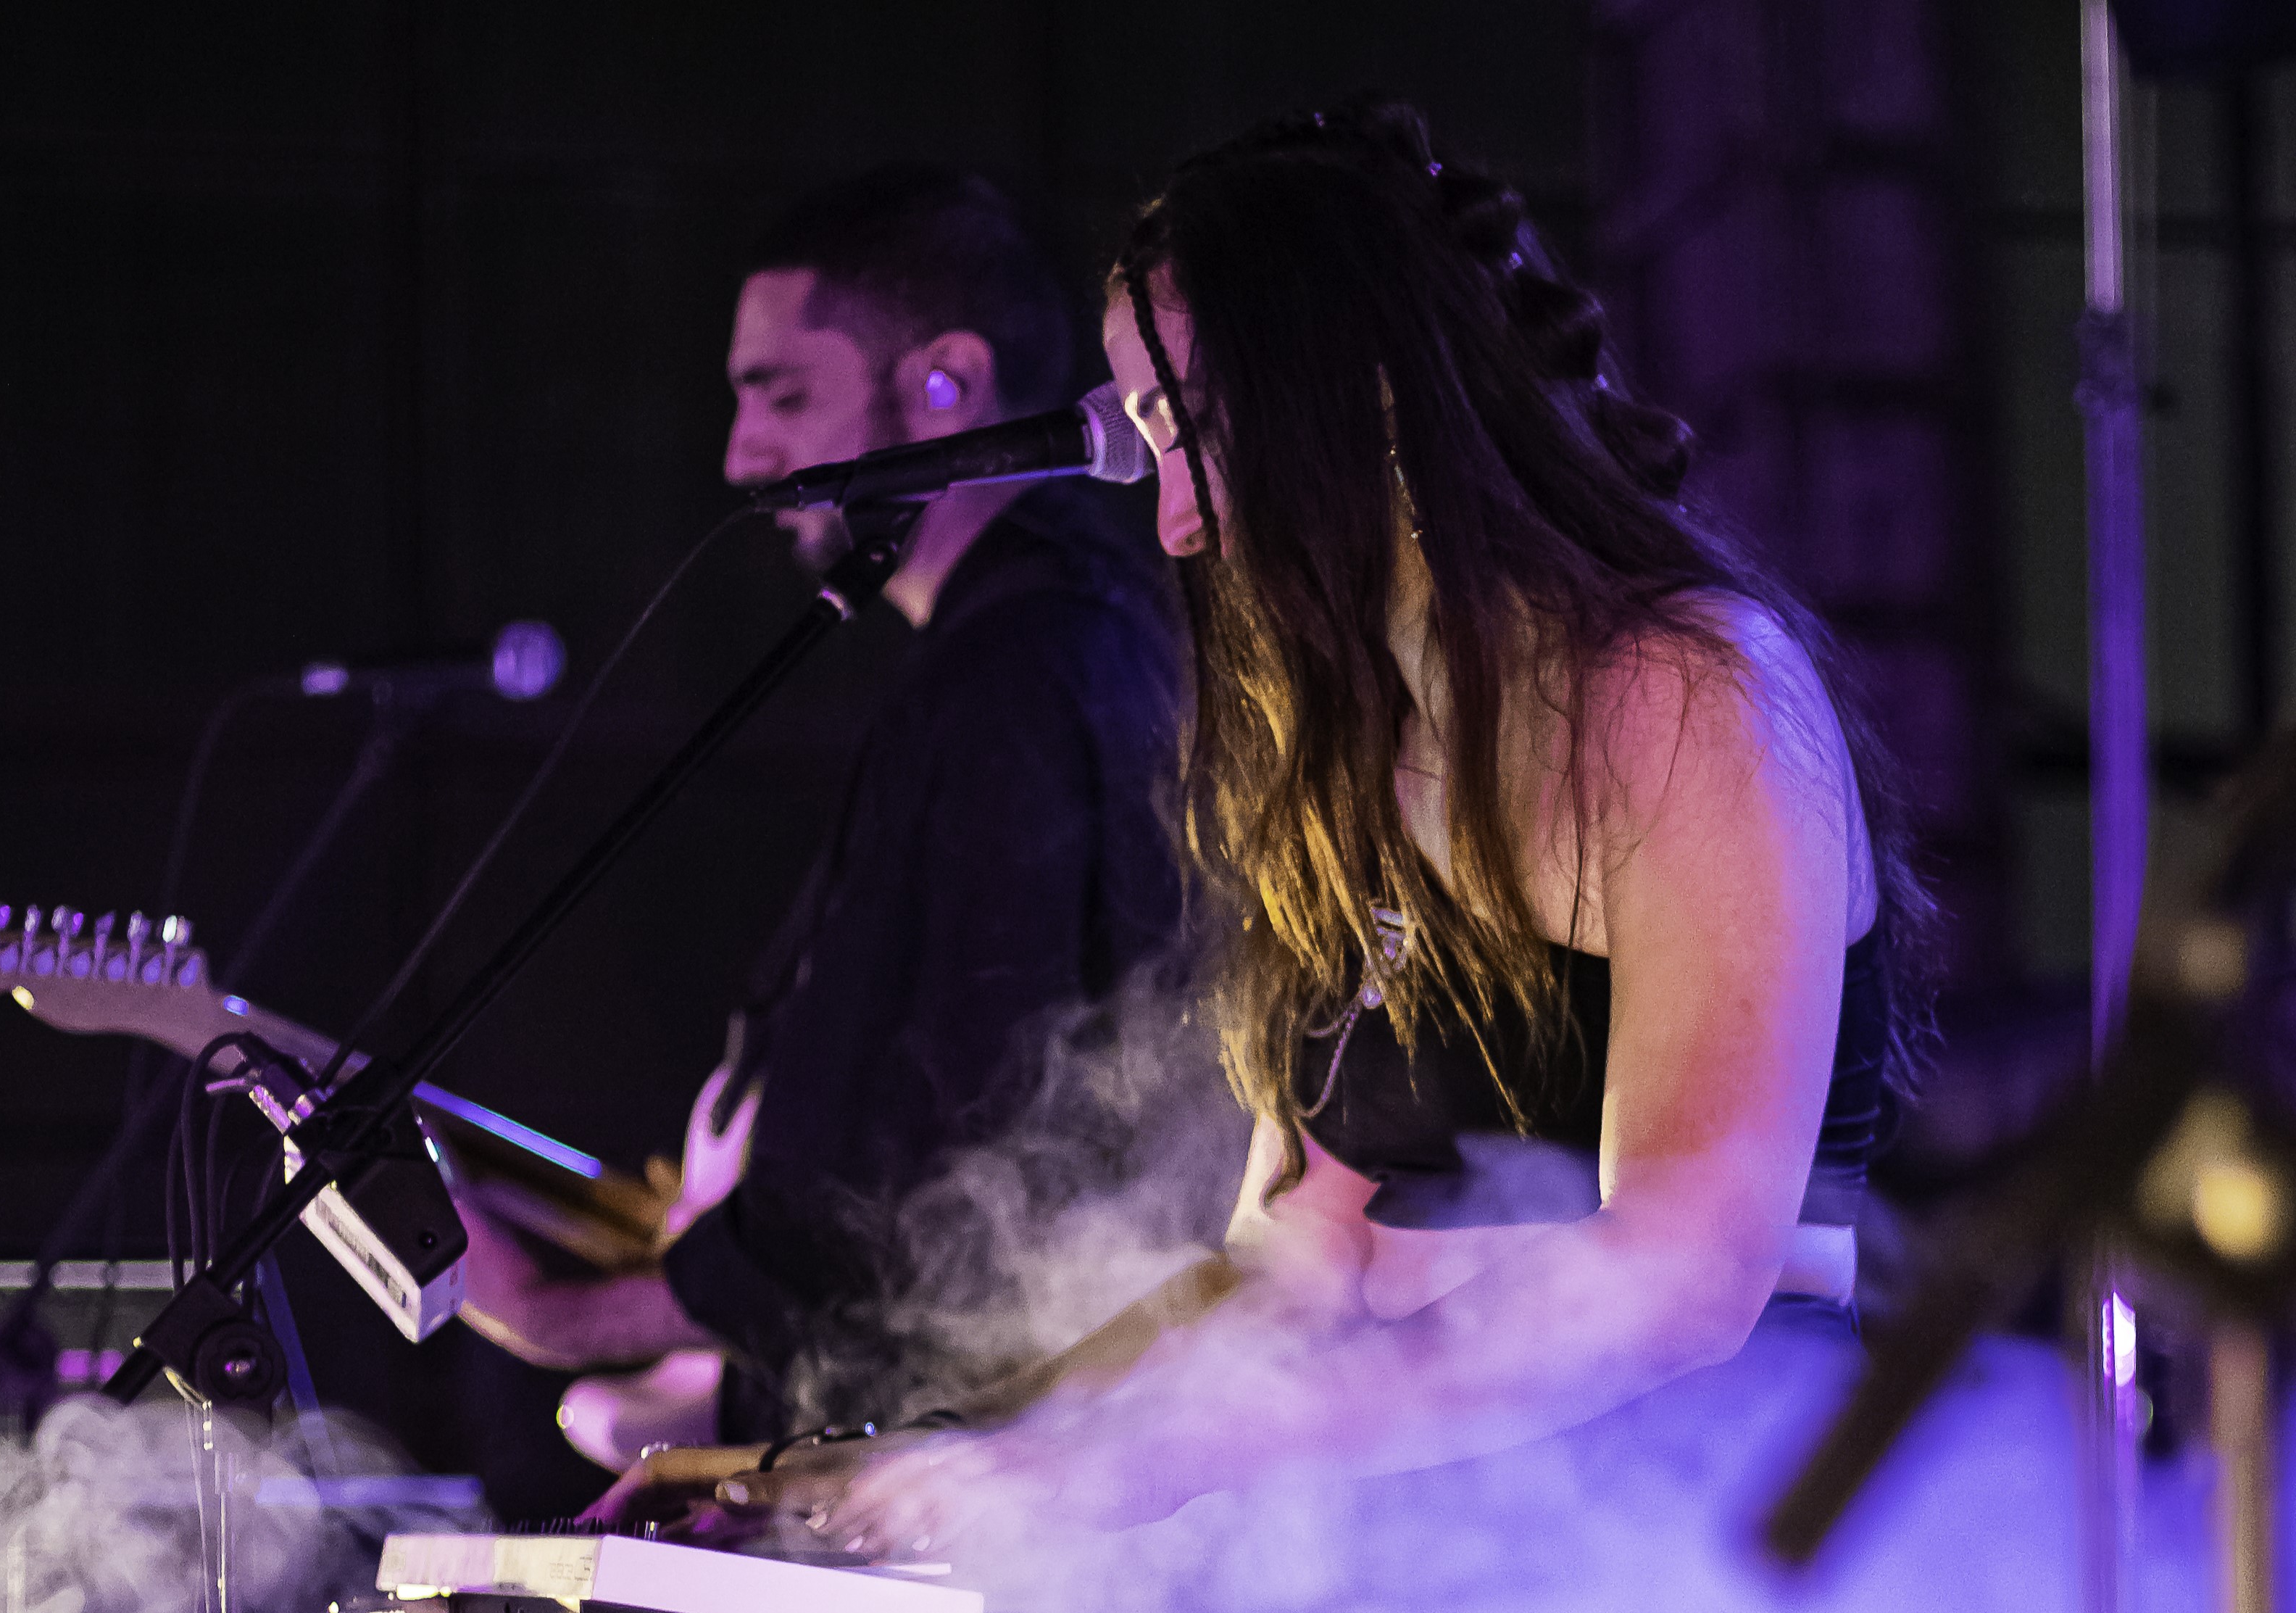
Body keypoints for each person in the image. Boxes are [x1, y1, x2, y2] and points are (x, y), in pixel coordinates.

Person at [736, 96, 1931, 1554]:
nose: (1174, 521)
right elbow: (1290, 1265)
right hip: (1447, 1547)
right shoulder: (1360, 753)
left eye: (1188, 436)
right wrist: (970, 1461)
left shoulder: (1692, 695)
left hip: (1716, 1538)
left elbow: (1680, 1275)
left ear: (1359, 396)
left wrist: (1166, 1453)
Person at [452, 163, 1200, 1451]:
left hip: (948, 1464)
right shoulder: (1010, 658)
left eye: (783, 395)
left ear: (945, 382)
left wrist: (574, 1316)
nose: (745, 456)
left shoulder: (1029, 672)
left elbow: (958, 1135)